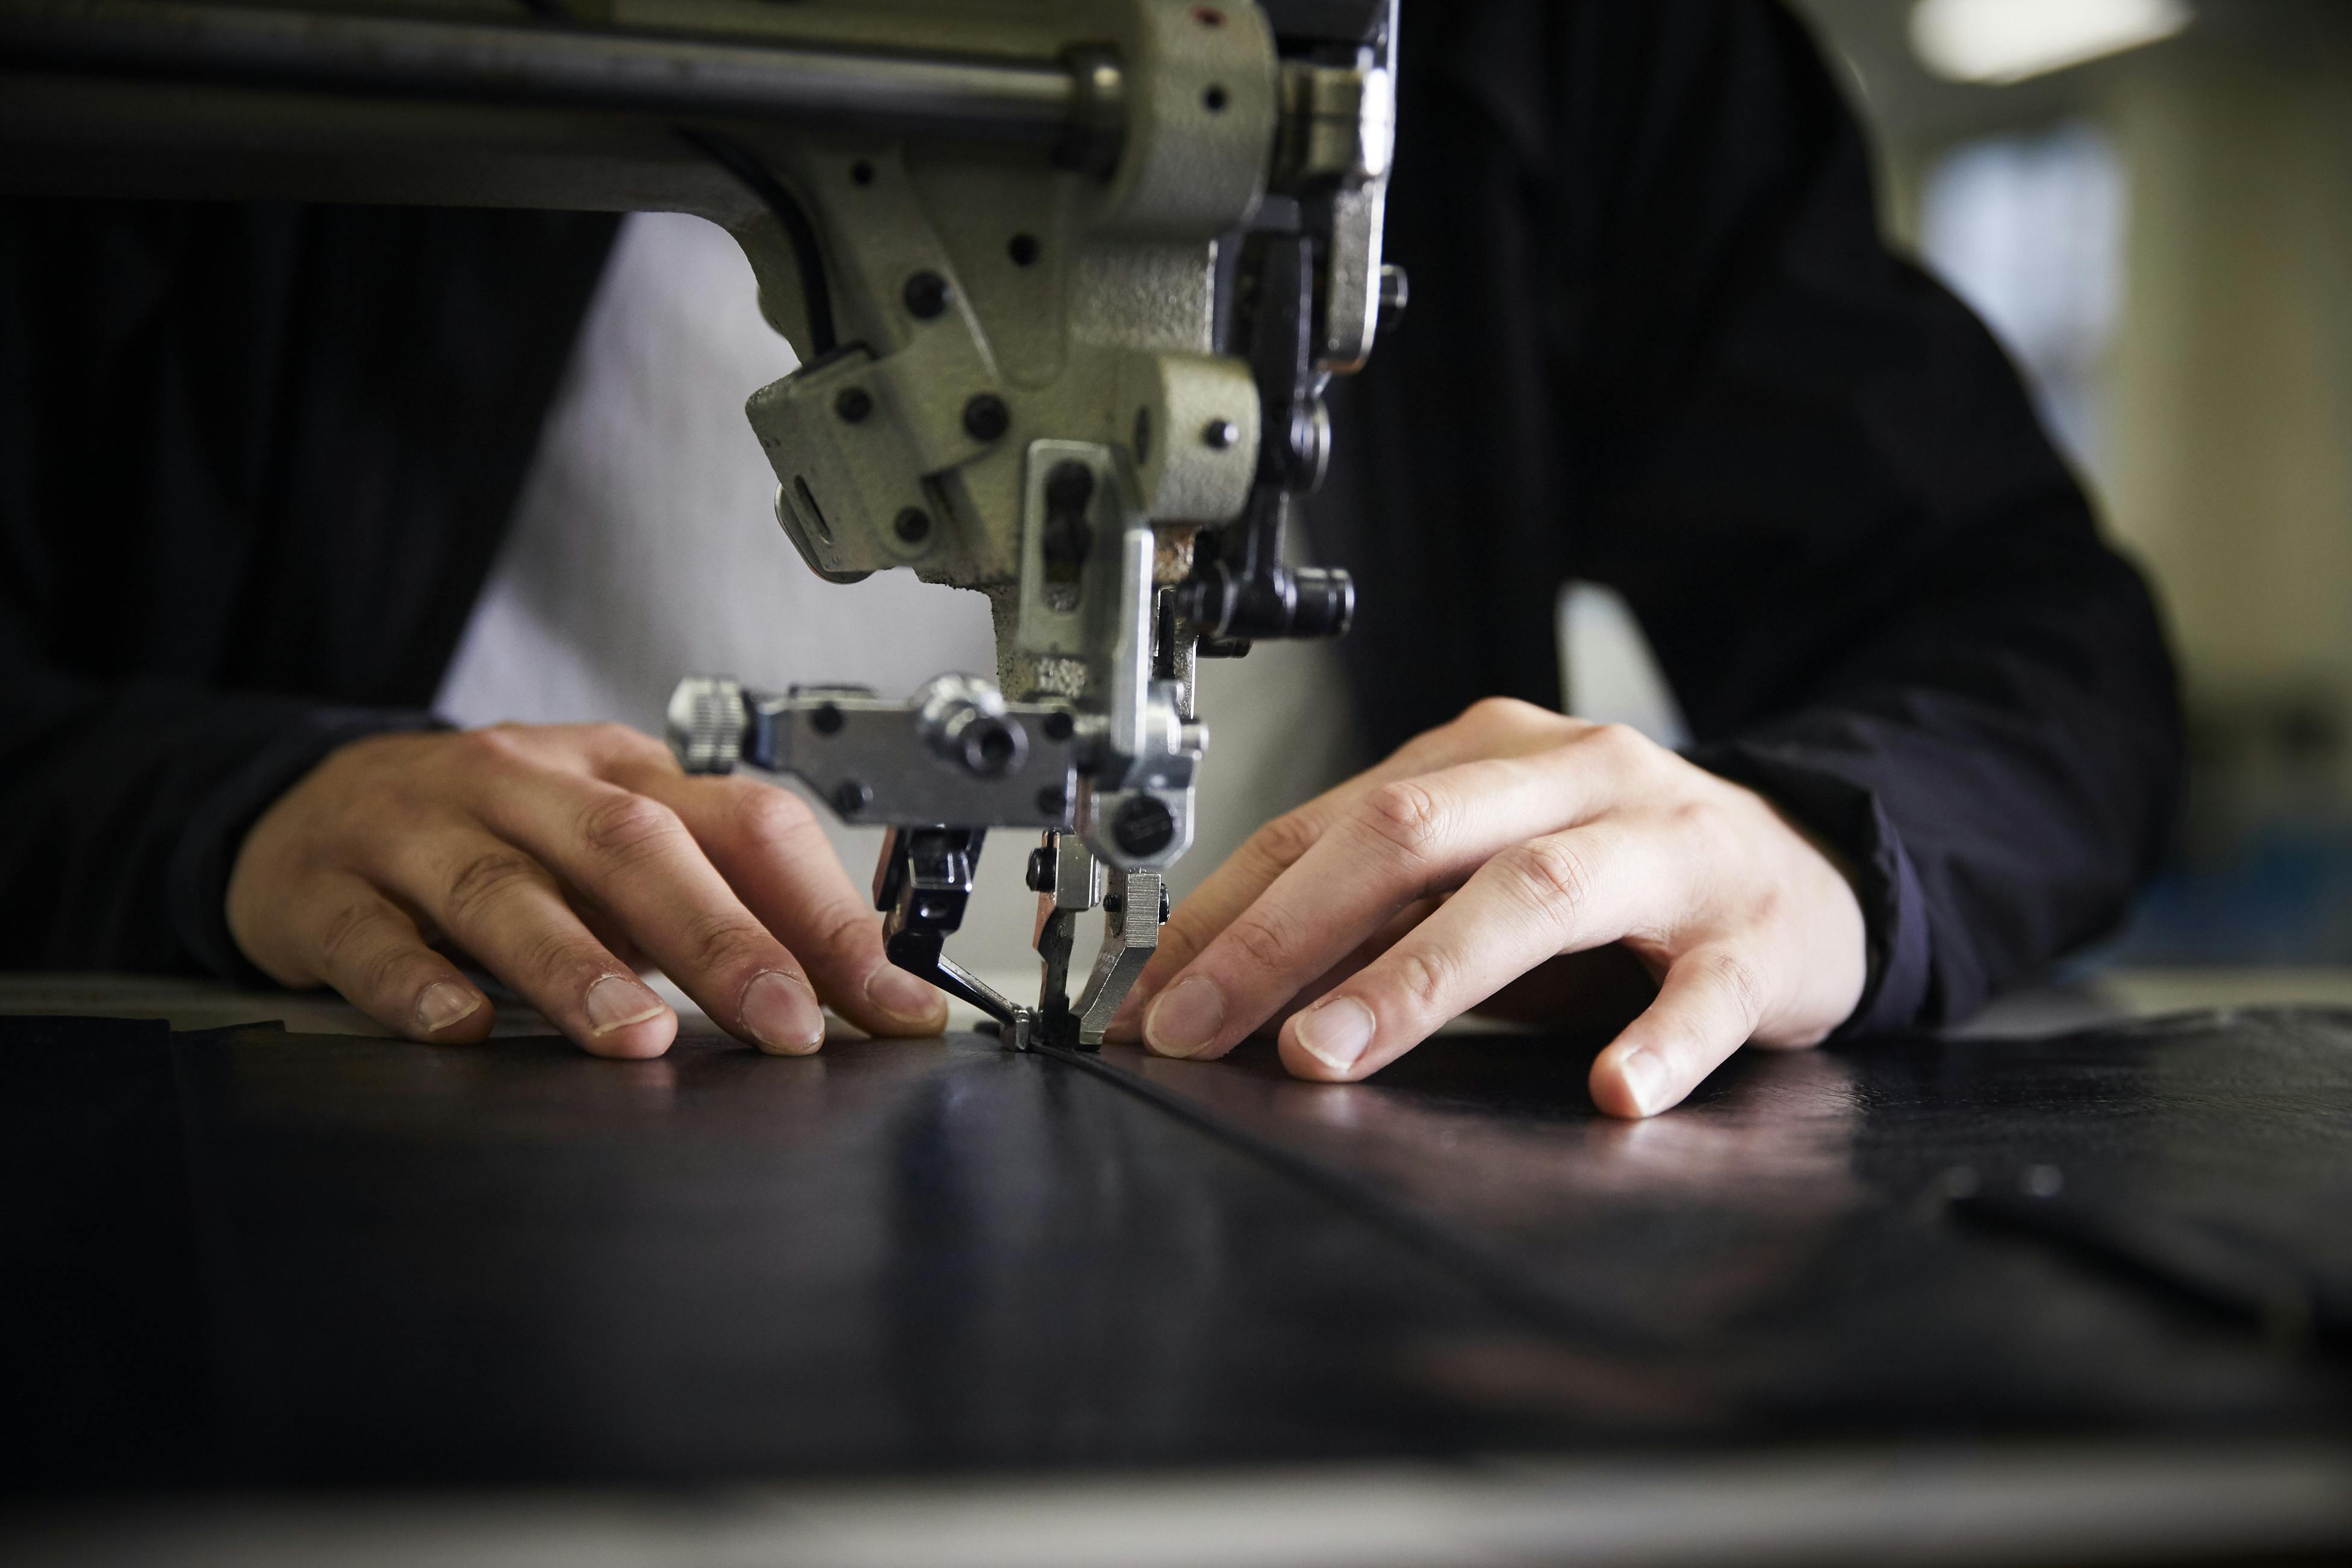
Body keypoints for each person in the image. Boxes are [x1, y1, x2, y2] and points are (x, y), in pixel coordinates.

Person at [0, 1, 2179, 1117]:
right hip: (393, 1183)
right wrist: (224, 812)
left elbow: (2038, 641)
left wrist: (1815, 849)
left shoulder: (1558, 44)